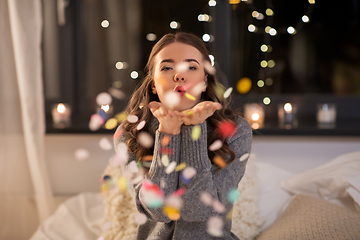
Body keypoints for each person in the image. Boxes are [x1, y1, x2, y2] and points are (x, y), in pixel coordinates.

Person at [108, 32, 252, 239]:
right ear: (153, 85)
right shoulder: (129, 133)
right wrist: (167, 133)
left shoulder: (236, 131)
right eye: (167, 67)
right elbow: (157, 210)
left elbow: (199, 210)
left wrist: (195, 129)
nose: (179, 75)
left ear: (204, 81)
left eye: (191, 67)